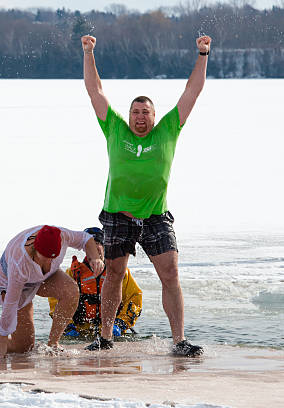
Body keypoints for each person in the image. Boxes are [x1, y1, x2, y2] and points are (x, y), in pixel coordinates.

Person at [80, 34, 211, 356]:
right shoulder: (115, 129)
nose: (140, 117)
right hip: (117, 215)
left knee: (171, 274)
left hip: (155, 216)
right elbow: (95, 91)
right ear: (130, 115)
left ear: (154, 116)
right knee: (113, 274)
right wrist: (88, 53)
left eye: (146, 112)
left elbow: (191, 92)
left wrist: (203, 53)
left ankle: (179, 340)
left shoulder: (168, 130)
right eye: (136, 111)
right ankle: (106, 337)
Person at [0, 225, 104, 358]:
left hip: (45, 277)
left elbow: (86, 238)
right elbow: (10, 305)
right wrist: (2, 344)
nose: (48, 262)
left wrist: (95, 258)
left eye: (53, 257)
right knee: (23, 348)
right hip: (13, 282)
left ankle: (53, 344)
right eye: (44, 257)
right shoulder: (19, 264)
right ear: (35, 248)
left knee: (70, 290)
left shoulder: (63, 235)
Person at [48, 227, 142, 338]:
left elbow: (134, 298)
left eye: (97, 243)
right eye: (90, 245)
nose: (94, 247)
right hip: (79, 332)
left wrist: (120, 324)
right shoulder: (73, 273)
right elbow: (56, 299)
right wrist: (68, 326)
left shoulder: (120, 272)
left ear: (104, 246)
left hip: (112, 330)